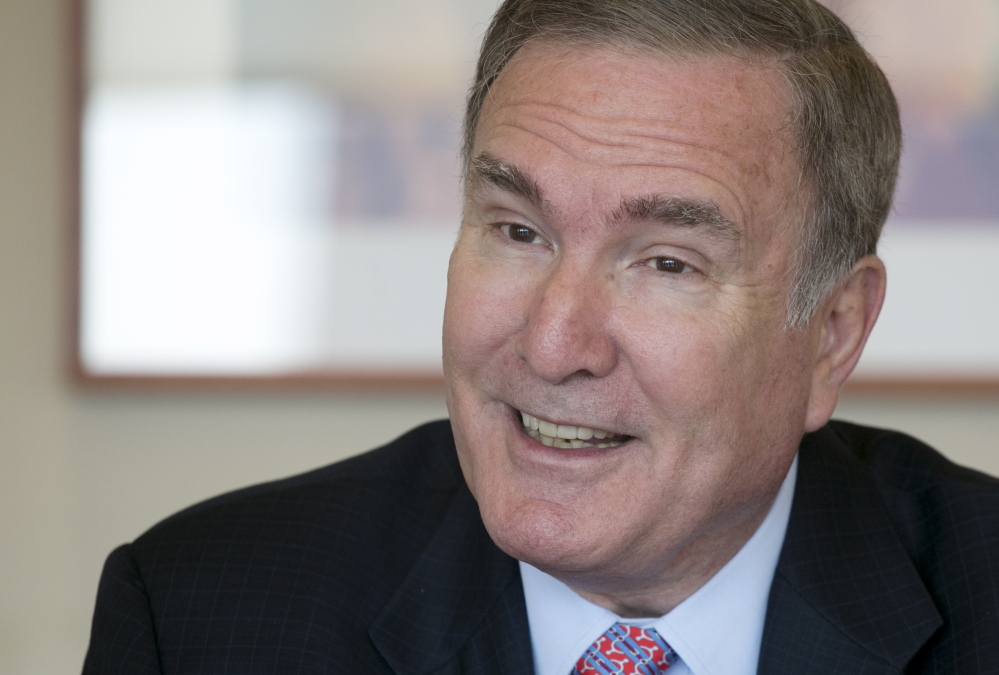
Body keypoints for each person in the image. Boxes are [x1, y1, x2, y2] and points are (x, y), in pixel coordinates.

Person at [83, 1, 999, 673]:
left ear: (833, 333)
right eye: (518, 231)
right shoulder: (200, 615)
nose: (554, 345)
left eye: (666, 262)